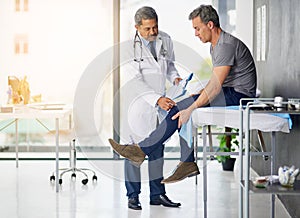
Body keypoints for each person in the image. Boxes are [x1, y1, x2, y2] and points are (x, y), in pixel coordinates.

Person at [109, 4, 257, 184]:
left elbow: (216, 86)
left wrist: (192, 105)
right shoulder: (217, 45)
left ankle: (145, 152)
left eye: (197, 28)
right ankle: (182, 162)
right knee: (180, 107)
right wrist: (195, 95)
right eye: (147, 28)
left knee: (182, 109)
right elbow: (219, 82)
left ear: (210, 25)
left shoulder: (224, 46)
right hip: (142, 103)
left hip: (239, 95)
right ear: (137, 28)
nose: (195, 33)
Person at [120, 6, 181, 210]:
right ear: (137, 27)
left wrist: (175, 78)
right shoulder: (128, 48)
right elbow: (135, 81)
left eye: (155, 27)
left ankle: (158, 195)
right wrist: (156, 100)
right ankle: (133, 196)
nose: (153, 32)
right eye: (148, 29)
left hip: (160, 105)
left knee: (157, 150)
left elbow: (170, 66)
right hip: (137, 105)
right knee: (133, 151)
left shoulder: (166, 39)